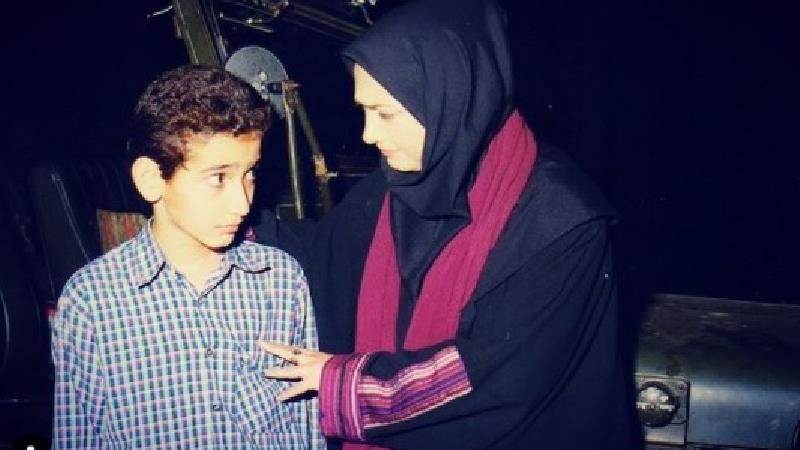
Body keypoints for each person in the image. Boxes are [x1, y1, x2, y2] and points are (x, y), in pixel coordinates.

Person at [260, 0, 638, 448]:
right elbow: (323, 256)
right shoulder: (391, 189)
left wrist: (343, 383)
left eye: (385, 113)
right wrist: (228, 222)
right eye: (364, 110)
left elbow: (496, 377)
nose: (367, 134)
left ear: (450, 98)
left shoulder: (563, 219)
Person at [51, 65, 325, 449]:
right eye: (218, 178)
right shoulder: (91, 300)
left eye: (249, 174)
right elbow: (77, 438)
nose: (242, 202)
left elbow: (307, 429)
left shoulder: (281, 279)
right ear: (151, 180)